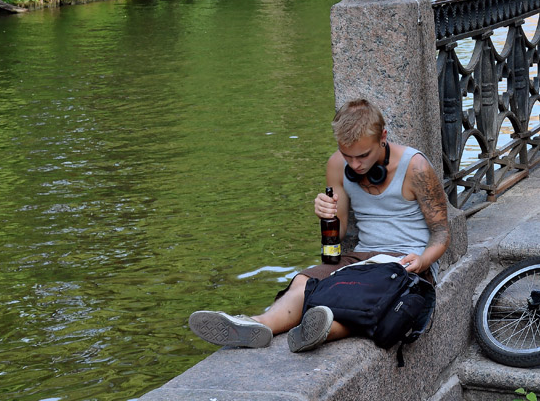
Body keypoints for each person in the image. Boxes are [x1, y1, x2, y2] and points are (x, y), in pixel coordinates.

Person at [189, 98, 450, 353]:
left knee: (378, 294)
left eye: (362, 155)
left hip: (407, 261)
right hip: (362, 255)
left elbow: (441, 232)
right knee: (305, 279)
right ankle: (257, 325)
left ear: (383, 136)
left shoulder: (415, 167)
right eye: (347, 155)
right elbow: (341, 231)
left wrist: (423, 261)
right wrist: (328, 216)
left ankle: (322, 329)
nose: (355, 165)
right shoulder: (337, 164)